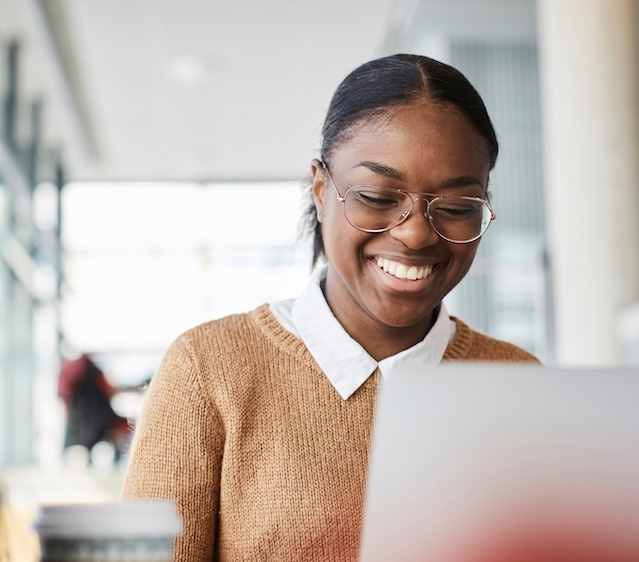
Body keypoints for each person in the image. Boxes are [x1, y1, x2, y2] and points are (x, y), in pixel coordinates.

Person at [122, 53, 539, 561]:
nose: (414, 233)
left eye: (455, 208)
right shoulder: (208, 370)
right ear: (321, 190)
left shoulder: (519, 383)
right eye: (377, 196)